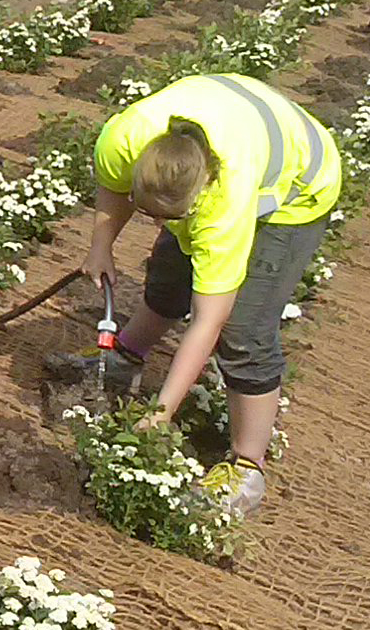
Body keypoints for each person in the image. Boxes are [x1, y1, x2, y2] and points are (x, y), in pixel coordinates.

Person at [46, 72, 340, 517]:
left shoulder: (226, 201)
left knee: (245, 329)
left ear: (199, 195)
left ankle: (246, 468)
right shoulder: (126, 137)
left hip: (299, 188)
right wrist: (100, 247)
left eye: (169, 216)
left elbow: (208, 322)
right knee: (169, 269)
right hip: (236, 117)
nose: (157, 223)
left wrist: (161, 413)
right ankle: (125, 358)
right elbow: (113, 181)